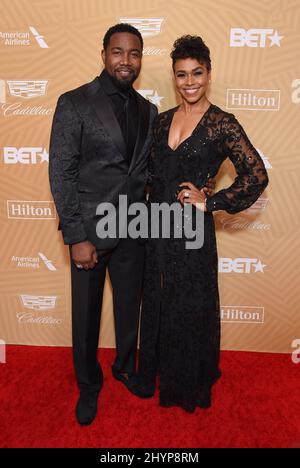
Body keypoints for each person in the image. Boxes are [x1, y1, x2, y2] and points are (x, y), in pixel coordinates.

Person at [49, 24, 216, 425]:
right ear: (104, 54)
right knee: (86, 315)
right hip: (89, 232)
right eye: (118, 52)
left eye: (134, 53)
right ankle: (89, 384)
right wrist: (76, 235)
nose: (126, 60)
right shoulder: (74, 103)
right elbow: (61, 171)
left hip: (134, 228)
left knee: (130, 309)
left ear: (141, 58)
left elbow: (156, 169)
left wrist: (201, 179)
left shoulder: (149, 111)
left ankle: (125, 366)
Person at [135, 35, 269, 413]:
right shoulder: (161, 122)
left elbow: (256, 175)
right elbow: (149, 172)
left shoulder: (222, 124)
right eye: (181, 74)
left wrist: (210, 202)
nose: (189, 82)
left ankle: (188, 382)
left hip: (192, 230)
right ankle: (155, 371)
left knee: (191, 304)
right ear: (173, 76)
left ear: (209, 74)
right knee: (158, 299)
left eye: (197, 73)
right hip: (157, 226)